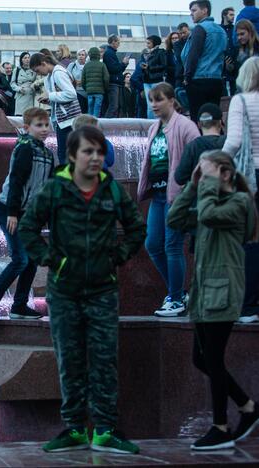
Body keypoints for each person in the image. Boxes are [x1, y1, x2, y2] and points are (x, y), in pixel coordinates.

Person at [20, 126, 146, 455]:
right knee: (70, 360)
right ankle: (74, 429)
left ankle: (104, 430)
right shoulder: (55, 190)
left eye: (100, 152)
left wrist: (117, 257)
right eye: (88, 152)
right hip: (64, 292)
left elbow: (136, 228)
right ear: (73, 155)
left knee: (104, 361)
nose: (95, 158)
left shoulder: (112, 191)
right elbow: (28, 227)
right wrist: (50, 260)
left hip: (103, 290)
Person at [167, 150, 259, 451]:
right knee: (201, 358)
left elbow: (207, 215)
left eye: (206, 174)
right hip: (205, 291)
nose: (202, 180)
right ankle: (247, 406)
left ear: (225, 174)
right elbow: (175, 217)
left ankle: (221, 426)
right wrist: (193, 186)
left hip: (223, 291)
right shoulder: (211, 200)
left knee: (214, 359)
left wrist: (204, 188)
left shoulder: (239, 203)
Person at [0, 108, 55, 332]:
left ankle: (19, 306)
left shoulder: (48, 155)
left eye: (46, 125)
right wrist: (12, 213)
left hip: (29, 214)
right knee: (20, 259)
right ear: (27, 128)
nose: (44, 129)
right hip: (10, 210)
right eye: (39, 125)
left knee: (31, 260)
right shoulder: (25, 148)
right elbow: (17, 181)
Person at [138, 83, 200, 317]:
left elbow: (198, 159)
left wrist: (189, 192)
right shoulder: (154, 127)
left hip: (178, 196)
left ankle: (175, 298)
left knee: (172, 246)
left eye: (158, 100)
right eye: (151, 100)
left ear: (172, 101)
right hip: (158, 195)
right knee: (153, 244)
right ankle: (179, 292)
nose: (153, 104)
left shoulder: (186, 126)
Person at [222, 57, 259, 322]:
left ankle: (249, 307)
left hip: (251, 177)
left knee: (251, 238)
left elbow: (233, 141)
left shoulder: (241, 100)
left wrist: (215, 162)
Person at [30, 53, 81, 165]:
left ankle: (68, 180)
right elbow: (63, 95)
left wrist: (51, 96)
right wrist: (50, 100)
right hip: (65, 120)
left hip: (68, 120)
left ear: (44, 64)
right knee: (66, 154)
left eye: (37, 70)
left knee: (64, 155)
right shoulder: (52, 75)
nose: (38, 74)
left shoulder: (58, 73)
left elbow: (71, 94)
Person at [181, 0, 228, 122]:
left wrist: (187, 77)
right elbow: (222, 56)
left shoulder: (200, 29)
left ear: (205, 10)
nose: (191, 14)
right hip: (216, 80)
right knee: (213, 119)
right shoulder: (221, 31)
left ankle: (202, 141)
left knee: (198, 120)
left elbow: (193, 54)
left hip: (199, 80)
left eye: (194, 10)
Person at [175, 103, 227, 186]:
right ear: (220, 122)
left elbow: (179, 178)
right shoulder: (229, 142)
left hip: (201, 196)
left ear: (198, 124)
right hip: (228, 195)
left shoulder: (192, 147)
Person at [103, 35, 130, 118]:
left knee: (116, 106)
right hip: (113, 83)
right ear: (113, 42)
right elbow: (114, 69)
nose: (119, 44)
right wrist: (123, 63)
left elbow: (117, 69)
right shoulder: (109, 53)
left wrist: (123, 65)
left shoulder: (111, 53)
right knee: (114, 106)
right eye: (118, 42)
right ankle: (105, 124)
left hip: (116, 82)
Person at [227, 20, 259, 86]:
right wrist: (230, 68)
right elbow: (236, 75)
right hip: (241, 89)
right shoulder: (236, 50)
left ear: (250, 32)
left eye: (242, 34)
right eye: (237, 35)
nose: (239, 37)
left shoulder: (257, 48)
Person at [142, 36, 167, 119]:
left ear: (154, 43)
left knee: (156, 103)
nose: (147, 45)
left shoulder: (160, 52)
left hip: (156, 80)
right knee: (149, 105)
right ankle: (151, 124)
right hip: (147, 80)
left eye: (149, 43)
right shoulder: (146, 53)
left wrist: (149, 67)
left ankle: (158, 123)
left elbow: (164, 65)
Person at [82, 47, 109, 118]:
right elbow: (106, 79)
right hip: (99, 92)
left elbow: (83, 80)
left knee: (90, 110)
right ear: (98, 55)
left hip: (90, 92)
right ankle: (95, 126)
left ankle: (89, 125)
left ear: (90, 55)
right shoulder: (102, 65)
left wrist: (87, 89)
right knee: (97, 110)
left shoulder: (86, 65)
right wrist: (104, 89)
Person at [174, 23, 191, 111]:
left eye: (184, 32)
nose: (182, 35)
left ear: (188, 30)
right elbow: (180, 57)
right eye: (180, 33)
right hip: (181, 73)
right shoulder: (177, 44)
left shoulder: (194, 41)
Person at [221, 7, 236, 95]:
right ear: (224, 15)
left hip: (235, 66)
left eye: (233, 15)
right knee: (224, 96)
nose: (233, 17)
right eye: (231, 15)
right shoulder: (219, 30)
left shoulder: (235, 29)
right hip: (222, 68)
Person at [68, 49, 88, 114]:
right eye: (79, 55)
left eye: (83, 55)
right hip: (76, 92)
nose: (81, 56)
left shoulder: (88, 65)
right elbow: (66, 76)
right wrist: (74, 81)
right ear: (77, 56)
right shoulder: (72, 65)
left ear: (85, 56)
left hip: (87, 92)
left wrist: (83, 81)